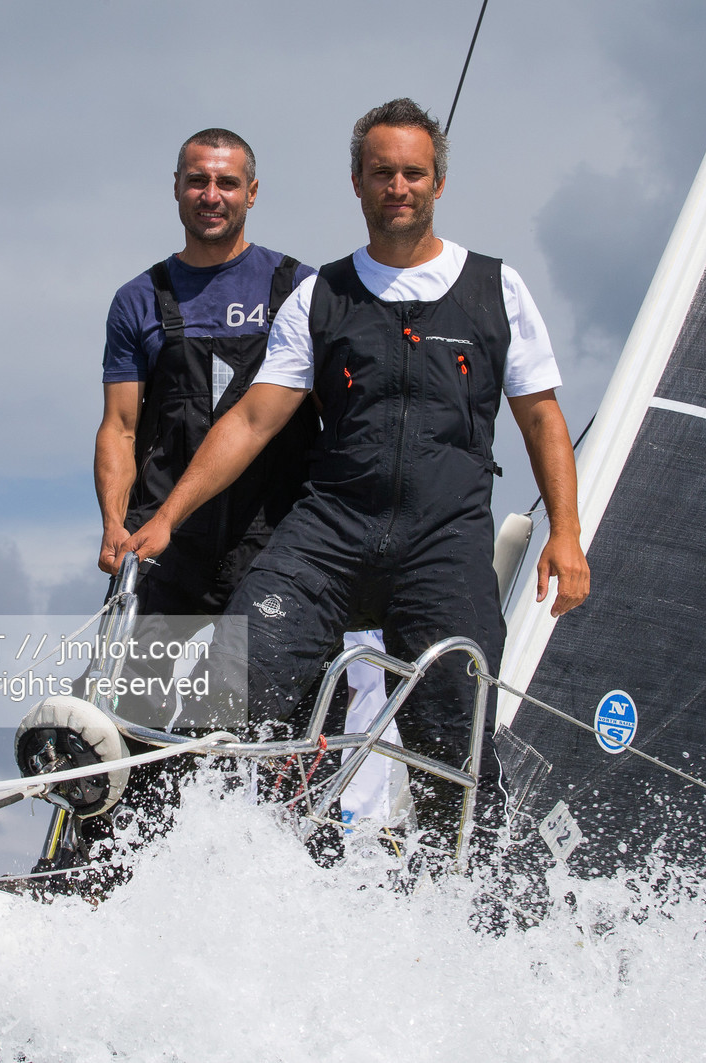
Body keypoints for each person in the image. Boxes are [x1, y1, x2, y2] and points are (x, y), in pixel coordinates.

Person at [118, 98, 591, 863]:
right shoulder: (322, 295)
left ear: (438, 182)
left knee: (453, 747)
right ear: (357, 183)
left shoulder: (496, 289)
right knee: (232, 686)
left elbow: (542, 419)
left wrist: (567, 534)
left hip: (442, 544)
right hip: (331, 535)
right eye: (381, 173)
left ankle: (475, 906)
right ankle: (220, 869)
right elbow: (252, 420)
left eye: (412, 173)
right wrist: (169, 514)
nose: (397, 186)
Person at [20, 128, 317, 898]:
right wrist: (114, 524)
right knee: (136, 732)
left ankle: (266, 887)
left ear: (252, 192)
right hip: (164, 551)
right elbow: (119, 427)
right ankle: (99, 884)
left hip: (270, 549)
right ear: (177, 189)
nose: (211, 196)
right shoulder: (137, 300)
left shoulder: (299, 288)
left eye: (226, 183)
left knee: (258, 734)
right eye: (197, 182)